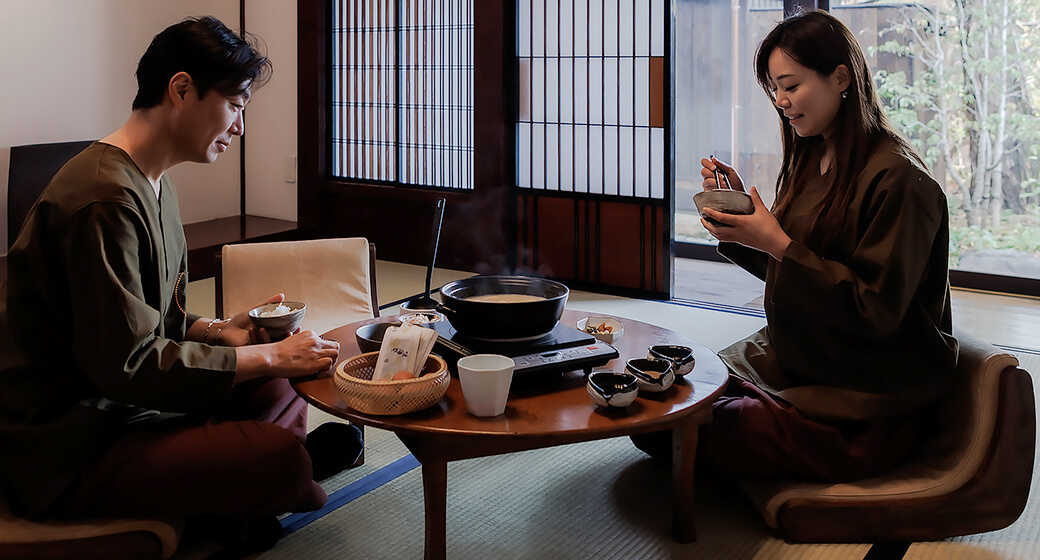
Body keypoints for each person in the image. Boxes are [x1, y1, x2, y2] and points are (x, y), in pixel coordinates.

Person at [0, 16, 361, 553]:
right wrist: (268, 358)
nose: (239, 127)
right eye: (236, 106)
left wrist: (221, 332)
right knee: (276, 445)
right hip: (72, 442)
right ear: (182, 89)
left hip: (128, 407)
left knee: (282, 382)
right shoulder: (104, 199)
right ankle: (272, 480)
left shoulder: (154, 182)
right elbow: (130, 364)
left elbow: (156, 321)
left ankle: (248, 487)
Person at [634, 10, 958, 482]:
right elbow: (795, 265)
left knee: (683, 426)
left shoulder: (900, 181)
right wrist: (745, 226)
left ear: (841, 77)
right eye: (774, 90)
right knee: (659, 402)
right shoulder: (814, 152)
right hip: (804, 360)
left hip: (869, 396)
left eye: (791, 85)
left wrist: (778, 243)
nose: (781, 101)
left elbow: (875, 311)